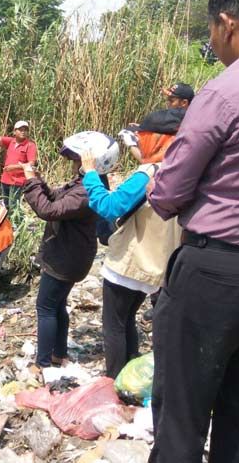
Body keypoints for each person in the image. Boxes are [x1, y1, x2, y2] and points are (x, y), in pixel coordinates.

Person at [147, 0, 239, 461]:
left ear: (227, 23)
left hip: (216, 269)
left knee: (182, 418)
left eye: (212, 29)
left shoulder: (227, 90)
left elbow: (167, 194)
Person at [81, 132, 179, 379]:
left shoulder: (148, 173)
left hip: (132, 258)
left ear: (156, 140)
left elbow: (110, 206)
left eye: (142, 138)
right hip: (158, 260)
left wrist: (91, 174)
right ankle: (130, 374)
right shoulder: (180, 169)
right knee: (128, 318)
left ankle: (115, 380)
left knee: (114, 324)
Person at [22, 132, 111, 372]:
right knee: (57, 305)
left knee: (46, 307)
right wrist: (38, 181)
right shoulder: (87, 185)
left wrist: (30, 182)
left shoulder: (86, 192)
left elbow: (48, 210)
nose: (75, 164)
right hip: (71, 255)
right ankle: (58, 354)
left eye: (78, 161)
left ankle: (43, 364)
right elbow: (57, 199)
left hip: (66, 258)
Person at [0, 118, 38, 210]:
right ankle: (8, 224)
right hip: (5, 180)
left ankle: (17, 224)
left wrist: (14, 167)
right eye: (21, 130)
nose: (23, 132)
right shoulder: (11, 141)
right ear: (14, 132)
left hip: (18, 181)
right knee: (5, 207)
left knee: (14, 206)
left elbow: (31, 164)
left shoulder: (30, 145)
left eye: (25, 130)